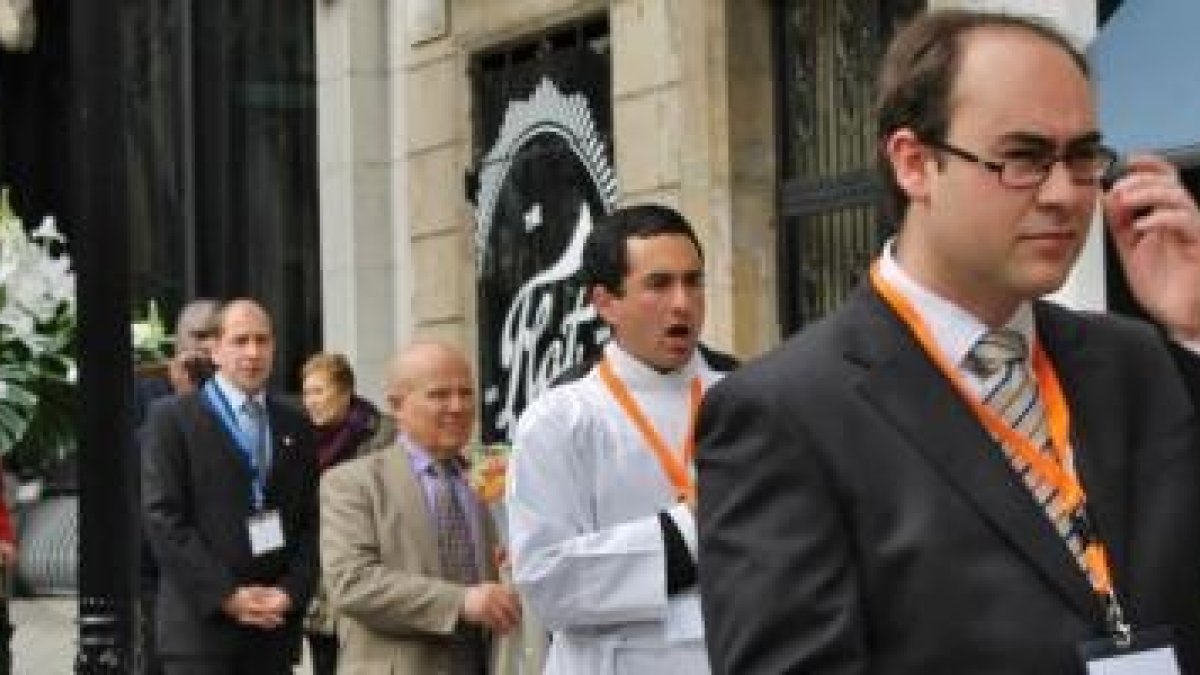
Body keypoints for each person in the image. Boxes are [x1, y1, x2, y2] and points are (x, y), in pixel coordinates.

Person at [697, 9, 1200, 674]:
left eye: (1081, 157)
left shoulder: (1135, 360)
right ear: (914, 163)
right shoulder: (784, 415)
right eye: (1021, 158)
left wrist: (1193, 323)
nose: (1063, 194)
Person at [507, 204, 736, 674]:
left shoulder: (744, 394)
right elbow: (548, 581)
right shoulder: (560, 418)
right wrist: (691, 527)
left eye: (693, 282)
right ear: (605, 302)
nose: (683, 303)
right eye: (659, 284)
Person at [320, 340, 521, 674]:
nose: (457, 407)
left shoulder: (493, 480)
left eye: (466, 393)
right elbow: (351, 583)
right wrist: (460, 602)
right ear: (397, 405)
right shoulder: (352, 483)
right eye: (439, 395)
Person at [142, 298, 319, 674]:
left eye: (262, 340)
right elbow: (164, 519)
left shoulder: (296, 424)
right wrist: (227, 597)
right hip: (201, 636)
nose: (253, 352)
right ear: (215, 350)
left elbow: (311, 523)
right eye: (240, 341)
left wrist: (290, 593)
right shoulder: (172, 420)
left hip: (272, 633)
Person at [134, 297, 220, 675]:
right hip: (158, 567)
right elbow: (142, 466)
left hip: (223, 563)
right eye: (197, 336)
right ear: (176, 342)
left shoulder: (236, 393)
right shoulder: (145, 392)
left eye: (214, 336)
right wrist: (186, 403)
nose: (205, 346)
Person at [298, 352, 395, 675]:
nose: (310, 401)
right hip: (318, 582)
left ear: (345, 392)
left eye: (319, 391)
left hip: (368, 574)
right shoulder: (299, 441)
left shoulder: (382, 436)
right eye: (307, 392)